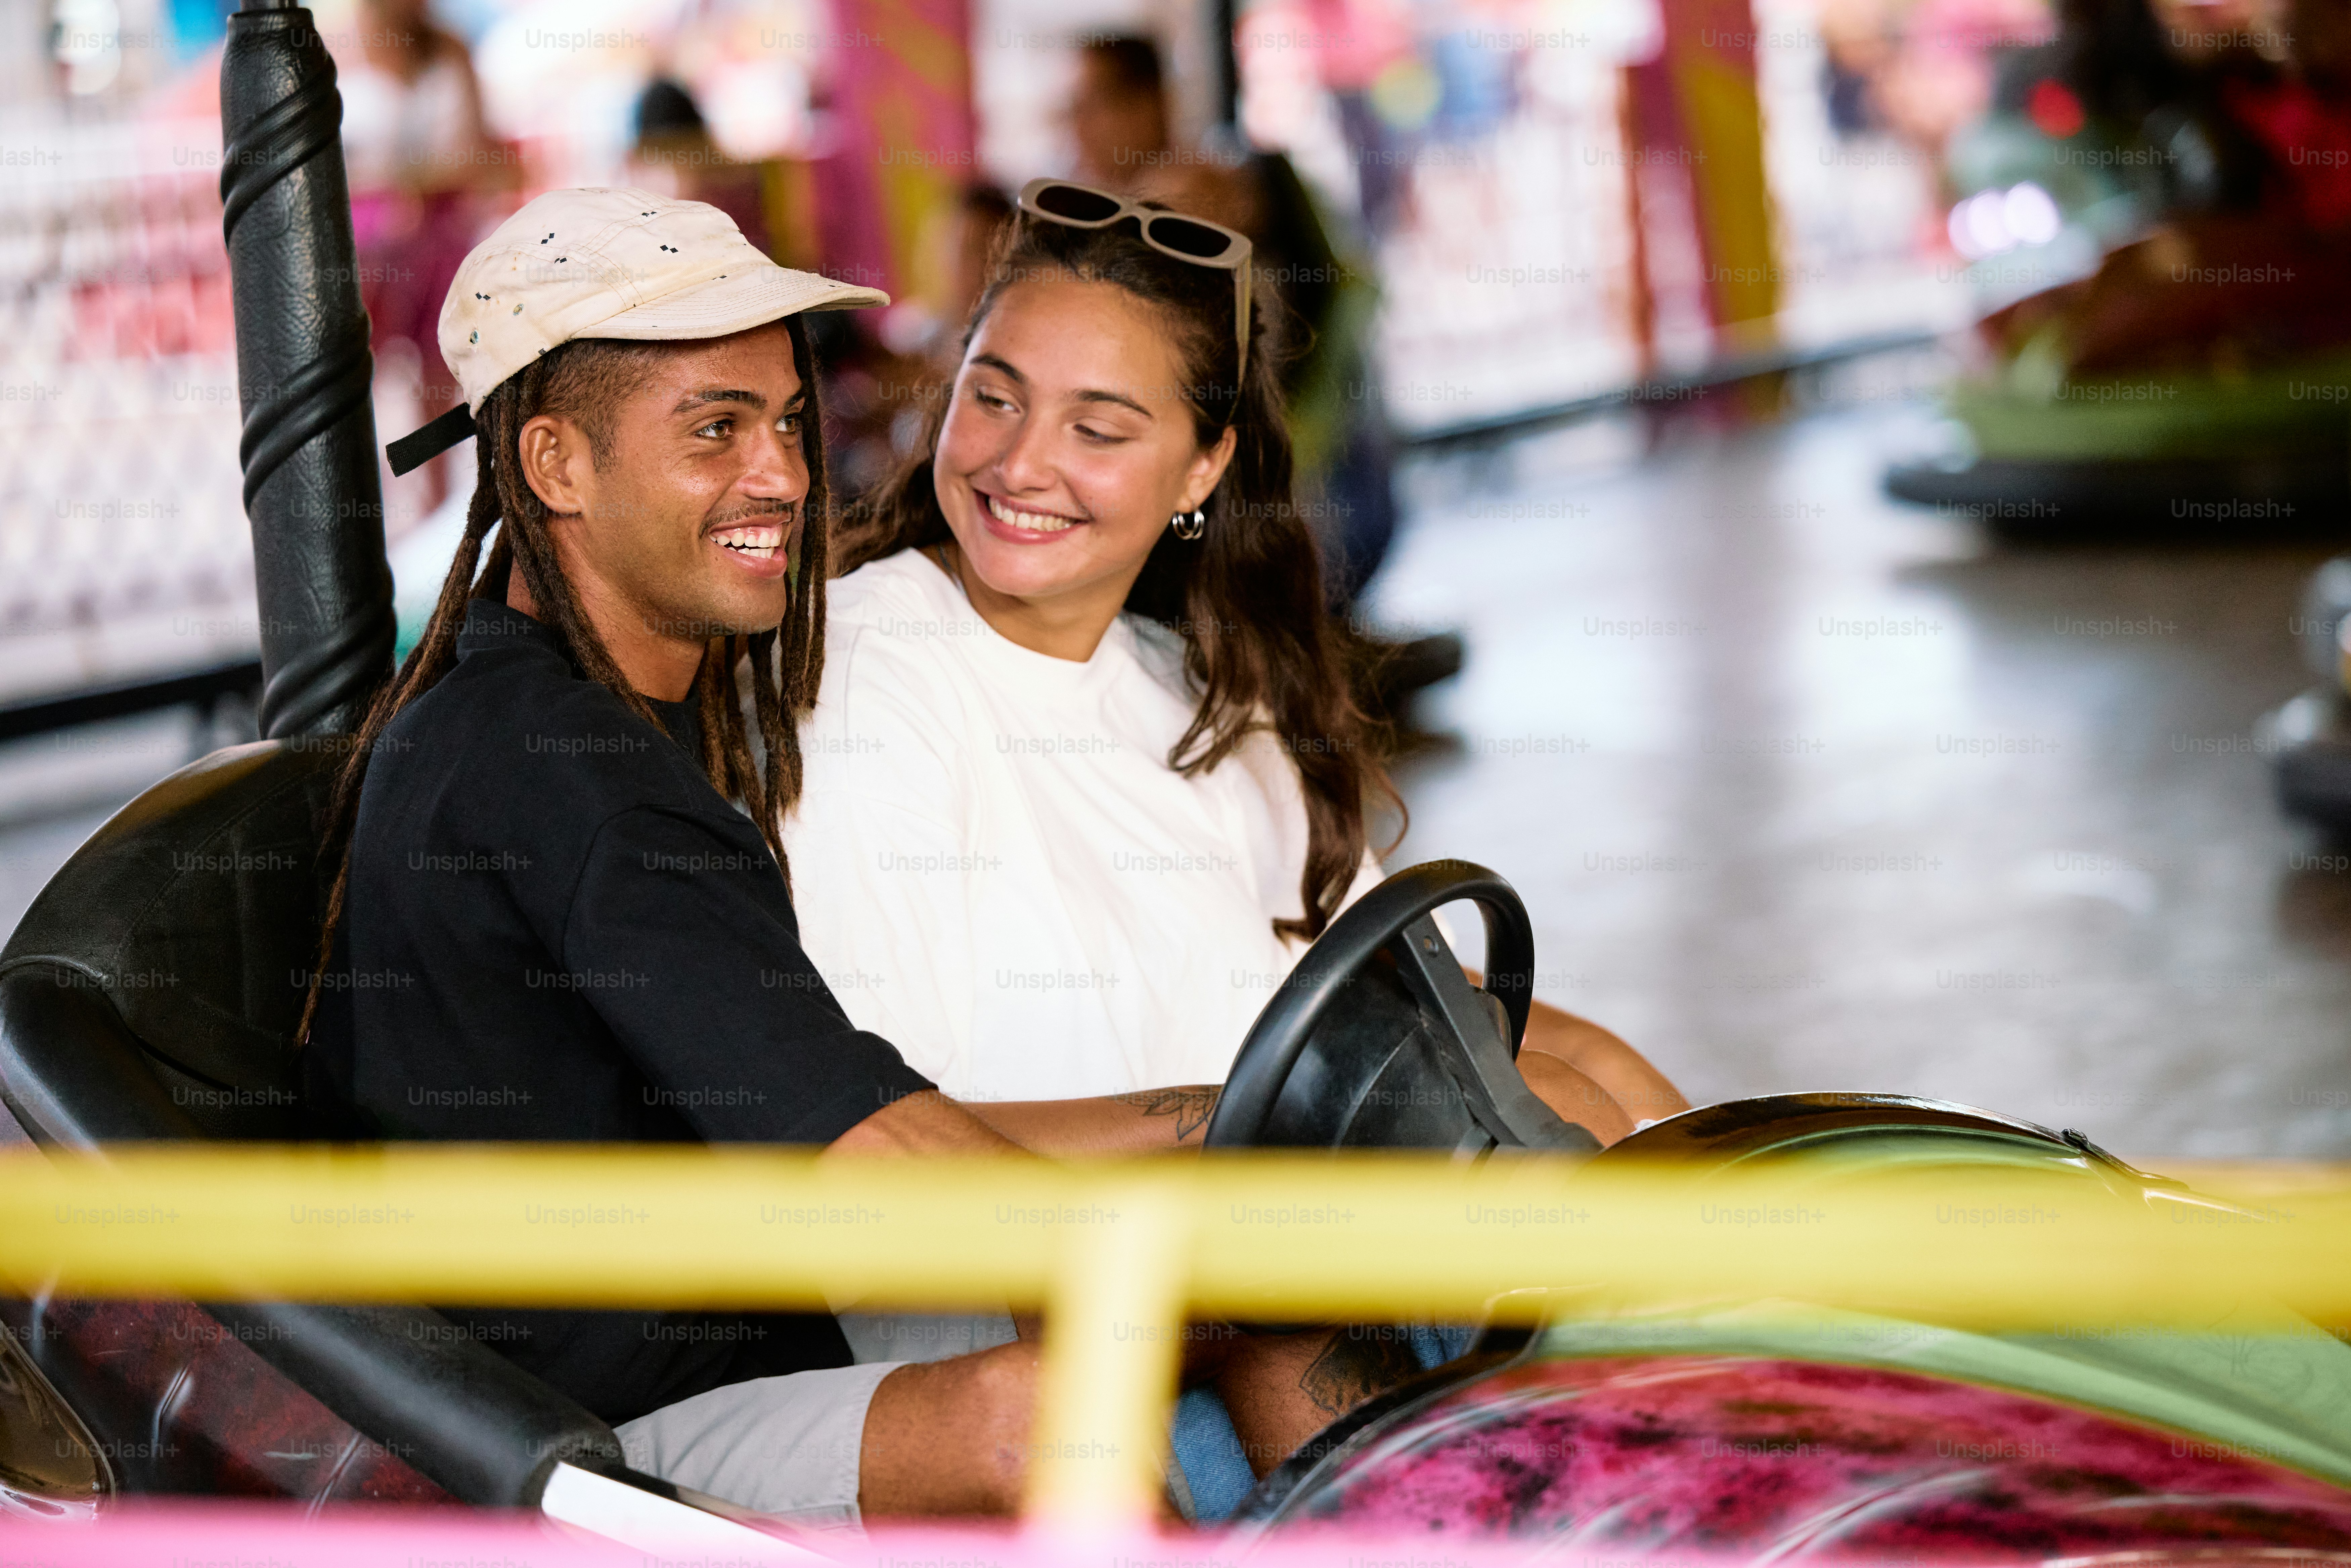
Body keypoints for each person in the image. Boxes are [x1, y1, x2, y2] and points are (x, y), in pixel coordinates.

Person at [301, 187, 1424, 1528]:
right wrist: (1211, 1239)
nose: (782, 474)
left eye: (787, 422)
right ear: (557, 467)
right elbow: (875, 1155)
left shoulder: (625, 716)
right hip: (585, 1439)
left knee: (1271, 1304)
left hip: (761, 1343)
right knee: (1046, 1418)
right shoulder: (561, 769)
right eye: (715, 430)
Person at [793, 181, 1685, 1137]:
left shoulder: (1195, 688)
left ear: (1202, 469)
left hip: (1267, 1201)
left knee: (1590, 1092)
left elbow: (1387, 989)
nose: (1018, 465)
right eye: (995, 398)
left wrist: (1644, 1100)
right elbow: (890, 1137)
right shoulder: (864, 671)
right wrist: (1287, 1122)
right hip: (1103, 1230)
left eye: (1095, 430)